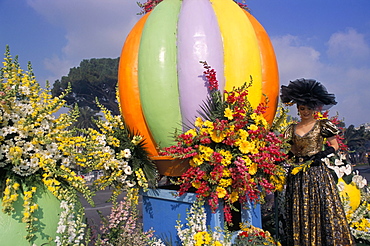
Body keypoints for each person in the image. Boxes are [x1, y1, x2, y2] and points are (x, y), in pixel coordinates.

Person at [280, 78, 354, 246]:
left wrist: (322, 154)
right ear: (298, 109)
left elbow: (334, 145)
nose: (305, 112)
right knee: (300, 209)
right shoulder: (291, 129)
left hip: (317, 174)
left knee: (320, 206)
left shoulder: (322, 125)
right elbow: (291, 151)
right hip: (297, 176)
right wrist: (280, 161)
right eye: (302, 108)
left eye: (309, 108)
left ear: (314, 108)